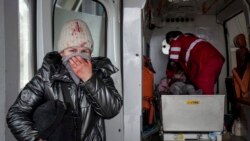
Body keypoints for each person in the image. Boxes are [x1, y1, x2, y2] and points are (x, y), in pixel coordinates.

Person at [6, 19, 122, 141]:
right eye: (72, 50)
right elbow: (16, 114)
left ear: (91, 53)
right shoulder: (46, 76)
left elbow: (111, 110)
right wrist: (35, 139)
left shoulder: (100, 73)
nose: (78, 56)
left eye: (84, 51)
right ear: (62, 53)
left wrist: (90, 78)